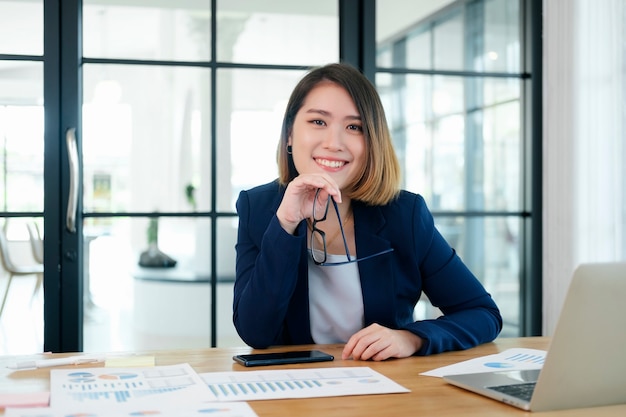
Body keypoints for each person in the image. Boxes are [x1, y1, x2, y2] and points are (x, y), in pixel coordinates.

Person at [233, 62, 502, 361]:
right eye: (318, 122)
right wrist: (286, 223)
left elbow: (482, 313)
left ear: (371, 142)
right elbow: (255, 332)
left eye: (354, 127)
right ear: (289, 136)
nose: (334, 143)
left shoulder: (405, 214)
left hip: (383, 386)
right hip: (295, 388)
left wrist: (412, 338)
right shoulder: (258, 208)